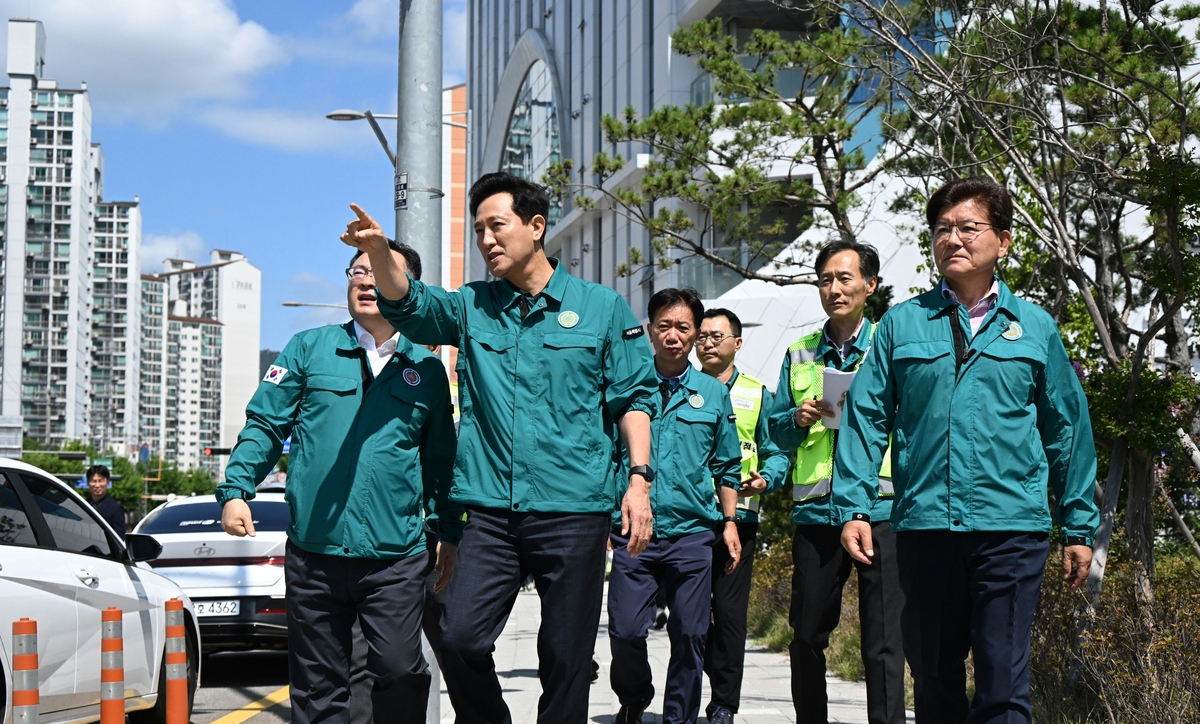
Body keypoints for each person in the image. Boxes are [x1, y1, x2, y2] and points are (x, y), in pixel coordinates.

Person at [341, 172, 659, 724]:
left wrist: (638, 480)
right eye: (479, 229)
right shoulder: (471, 306)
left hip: (574, 509)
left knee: (566, 656)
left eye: (497, 225)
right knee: (460, 637)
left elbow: (633, 399)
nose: (486, 239)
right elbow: (409, 304)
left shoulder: (601, 308)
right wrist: (378, 252)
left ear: (536, 227)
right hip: (489, 512)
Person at [834, 177, 1099, 724]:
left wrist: (1078, 526)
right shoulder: (903, 324)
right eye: (941, 229)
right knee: (933, 679)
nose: (952, 238)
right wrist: (854, 506)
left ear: (1002, 241)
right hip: (926, 528)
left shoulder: (1034, 327)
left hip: (1010, 529)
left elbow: (1066, 429)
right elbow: (865, 417)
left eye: (968, 227)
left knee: (1003, 681)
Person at [217, 240, 462, 724]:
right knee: (317, 684)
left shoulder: (428, 370)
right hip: (315, 553)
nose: (365, 281)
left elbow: (440, 462)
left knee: (399, 668)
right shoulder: (308, 349)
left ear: (405, 286)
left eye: (380, 272)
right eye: (356, 271)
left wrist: (448, 531)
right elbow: (266, 424)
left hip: (395, 557)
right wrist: (236, 490)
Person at [767, 240, 906, 724]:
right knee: (805, 635)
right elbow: (774, 431)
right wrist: (797, 416)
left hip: (881, 508)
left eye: (845, 278)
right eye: (825, 279)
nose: (834, 288)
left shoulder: (890, 347)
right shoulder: (800, 352)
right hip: (818, 510)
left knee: (883, 643)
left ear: (870, 285)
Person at [608, 288, 742, 724]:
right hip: (633, 533)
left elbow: (726, 464)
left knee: (690, 634)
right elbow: (606, 455)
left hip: (692, 534)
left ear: (695, 334)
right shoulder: (625, 388)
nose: (673, 336)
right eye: (663, 326)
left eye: (683, 327)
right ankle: (635, 693)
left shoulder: (712, 393)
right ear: (649, 330)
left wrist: (728, 521)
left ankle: (678, 718)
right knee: (625, 629)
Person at [695, 308, 790, 724]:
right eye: (702, 336)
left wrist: (766, 478)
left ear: (737, 342)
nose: (708, 342)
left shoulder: (757, 393)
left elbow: (775, 450)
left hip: (742, 521)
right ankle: (716, 676)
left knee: (730, 616)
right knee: (691, 615)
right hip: (690, 521)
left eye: (717, 336)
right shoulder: (682, 387)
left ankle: (724, 704)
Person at [86, 465, 126, 538]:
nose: (97, 485)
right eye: (93, 481)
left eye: (101, 481)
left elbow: (119, 537)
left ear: (107, 482)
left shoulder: (116, 509)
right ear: (88, 482)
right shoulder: (83, 504)